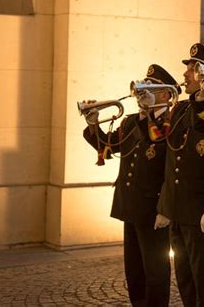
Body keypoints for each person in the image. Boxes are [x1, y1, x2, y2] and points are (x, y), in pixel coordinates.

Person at [82, 64, 181, 307]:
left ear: (167, 95)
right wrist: (94, 123)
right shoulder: (129, 122)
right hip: (130, 204)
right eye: (143, 86)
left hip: (154, 207)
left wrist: (165, 209)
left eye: (151, 89)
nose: (143, 92)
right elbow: (107, 146)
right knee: (134, 269)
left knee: (155, 270)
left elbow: (163, 154)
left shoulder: (172, 123)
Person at [153, 43, 204, 307]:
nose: (185, 75)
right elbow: (170, 157)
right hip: (178, 209)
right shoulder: (184, 109)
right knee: (185, 279)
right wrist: (166, 205)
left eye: (191, 69)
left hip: (201, 211)